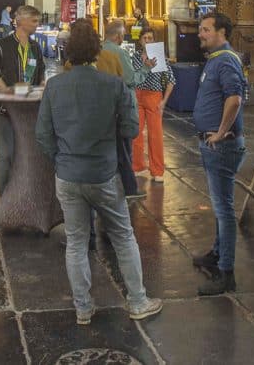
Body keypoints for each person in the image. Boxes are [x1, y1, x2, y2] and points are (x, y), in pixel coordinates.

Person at [36, 19, 163, 325]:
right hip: (104, 173)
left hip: (67, 175)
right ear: (96, 50)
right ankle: (137, 301)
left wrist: (61, 158)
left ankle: (82, 308)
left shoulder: (54, 86)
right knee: (122, 236)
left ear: (67, 52)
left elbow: (42, 134)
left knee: (77, 242)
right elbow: (131, 129)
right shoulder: (114, 85)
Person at [191, 12, 247, 295]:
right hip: (213, 144)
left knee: (224, 209)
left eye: (206, 30)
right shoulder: (215, 59)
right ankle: (216, 253)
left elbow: (234, 98)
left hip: (221, 146)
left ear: (222, 32)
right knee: (219, 205)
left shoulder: (225, 60)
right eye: (201, 29)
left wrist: (221, 131)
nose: (200, 34)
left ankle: (227, 272)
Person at [0, 4, 46, 193]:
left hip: (28, 111)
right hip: (4, 111)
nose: (37, 25)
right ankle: (5, 200)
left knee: (25, 156)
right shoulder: (2, 45)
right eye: (34, 21)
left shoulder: (35, 47)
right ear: (21, 21)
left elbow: (40, 73)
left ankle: (22, 197)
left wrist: (42, 83)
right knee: (6, 156)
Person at [103, 20, 155, 197]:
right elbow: (131, 79)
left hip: (105, 107)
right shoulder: (119, 53)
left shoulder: (99, 51)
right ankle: (129, 189)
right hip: (121, 106)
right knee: (124, 149)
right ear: (118, 36)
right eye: (123, 34)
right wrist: (146, 68)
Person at [131, 28, 176, 183]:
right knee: (135, 133)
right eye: (145, 38)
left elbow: (171, 80)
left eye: (150, 38)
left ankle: (157, 170)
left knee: (155, 134)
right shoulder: (135, 57)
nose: (148, 40)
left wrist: (163, 102)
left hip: (154, 96)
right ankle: (137, 166)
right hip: (137, 95)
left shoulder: (159, 57)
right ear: (140, 40)